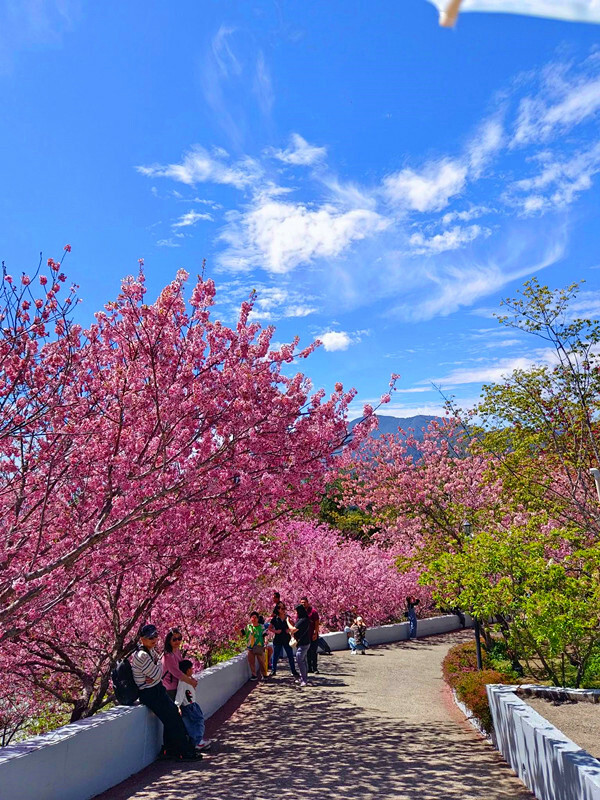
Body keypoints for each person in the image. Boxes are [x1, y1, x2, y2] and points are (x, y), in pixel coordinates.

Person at [132, 624, 200, 762]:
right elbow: (158, 673)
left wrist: (156, 671)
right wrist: (156, 669)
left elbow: (157, 673)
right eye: (150, 637)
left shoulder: (151, 652)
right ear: (142, 639)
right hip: (149, 692)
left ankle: (169, 750)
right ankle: (184, 752)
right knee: (173, 719)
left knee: (172, 716)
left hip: (157, 689)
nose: (154, 639)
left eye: (156, 636)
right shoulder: (142, 655)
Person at [175, 659, 211, 751]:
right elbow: (180, 694)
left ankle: (195, 742)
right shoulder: (183, 682)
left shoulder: (188, 680)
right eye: (191, 668)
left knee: (192, 724)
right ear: (187, 670)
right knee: (198, 722)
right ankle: (198, 742)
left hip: (191, 705)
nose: (192, 670)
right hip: (189, 706)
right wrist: (177, 705)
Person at [161, 627, 198, 701]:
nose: (177, 641)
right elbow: (177, 673)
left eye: (179, 638)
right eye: (174, 639)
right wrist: (191, 682)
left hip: (178, 685)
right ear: (169, 641)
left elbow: (182, 666)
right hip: (170, 689)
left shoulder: (176, 650)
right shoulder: (168, 656)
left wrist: (191, 677)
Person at [269, 602, 299, 677]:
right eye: (282, 609)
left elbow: (293, 626)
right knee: (275, 655)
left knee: (290, 655)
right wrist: (276, 631)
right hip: (278, 639)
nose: (283, 610)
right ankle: (273, 670)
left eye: (284, 608)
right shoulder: (275, 619)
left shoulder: (287, 618)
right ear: (278, 609)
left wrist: (288, 630)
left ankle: (293, 670)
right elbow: (270, 628)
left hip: (286, 639)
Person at [289, 604, 311, 687]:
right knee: (302, 661)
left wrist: (287, 622)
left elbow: (293, 629)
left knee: (299, 660)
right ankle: (303, 678)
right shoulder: (301, 619)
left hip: (304, 643)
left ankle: (304, 680)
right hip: (302, 643)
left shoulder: (303, 620)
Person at [245, 611, 268, 681]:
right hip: (250, 647)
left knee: (261, 662)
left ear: (258, 619)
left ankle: (264, 675)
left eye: (255, 617)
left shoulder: (261, 627)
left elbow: (265, 635)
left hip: (259, 647)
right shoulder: (248, 627)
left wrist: (266, 641)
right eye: (252, 617)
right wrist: (237, 630)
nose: (254, 619)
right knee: (251, 662)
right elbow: (241, 633)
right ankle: (254, 675)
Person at [301, 596, 320, 674]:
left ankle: (315, 667)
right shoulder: (301, 612)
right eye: (301, 603)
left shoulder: (313, 612)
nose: (303, 604)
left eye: (304, 602)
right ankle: (309, 668)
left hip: (313, 635)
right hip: (305, 636)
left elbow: (317, 623)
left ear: (307, 603)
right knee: (307, 652)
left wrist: (315, 633)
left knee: (313, 651)